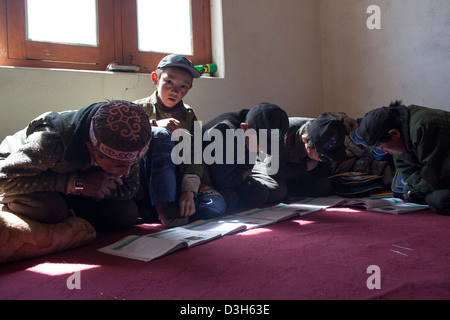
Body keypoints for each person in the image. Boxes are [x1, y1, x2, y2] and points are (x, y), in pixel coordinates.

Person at [0, 100, 152, 231]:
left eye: (132, 164)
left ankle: (66, 214)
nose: (126, 172)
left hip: (67, 190)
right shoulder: (51, 142)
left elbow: (128, 189)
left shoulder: (128, 144)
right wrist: (74, 183)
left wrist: (97, 187)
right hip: (19, 176)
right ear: (91, 149)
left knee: (127, 213)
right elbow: (3, 180)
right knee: (52, 210)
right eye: (118, 166)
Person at [134, 54, 226, 227]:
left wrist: (189, 191)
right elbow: (125, 136)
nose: (175, 91)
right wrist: (153, 124)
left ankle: (168, 209)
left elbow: (195, 153)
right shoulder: (138, 109)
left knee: (215, 207)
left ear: (189, 88)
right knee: (160, 135)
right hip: (148, 179)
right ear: (155, 78)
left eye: (183, 86)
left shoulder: (188, 115)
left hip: (178, 181)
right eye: (169, 82)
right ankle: (164, 206)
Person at [359, 100, 450, 215]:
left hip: (443, 176)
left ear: (394, 133)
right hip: (439, 177)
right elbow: (407, 172)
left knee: (439, 200)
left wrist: (427, 192)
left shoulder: (424, 128)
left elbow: (438, 177)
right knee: (407, 191)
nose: (384, 151)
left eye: (382, 146)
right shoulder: (401, 134)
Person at [201, 102, 289, 212]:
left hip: (234, 173)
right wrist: (243, 175)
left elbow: (247, 167)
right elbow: (223, 180)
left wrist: (243, 174)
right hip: (208, 177)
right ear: (244, 127)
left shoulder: (255, 124)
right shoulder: (226, 133)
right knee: (225, 201)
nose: (260, 151)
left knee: (277, 191)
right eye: (260, 146)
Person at [256, 114, 348, 198]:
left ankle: (288, 187)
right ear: (305, 140)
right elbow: (273, 170)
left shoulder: (324, 132)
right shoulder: (280, 135)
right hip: (265, 163)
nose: (321, 159)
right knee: (278, 190)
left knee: (323, 186)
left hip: (290, 169)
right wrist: (307, 166)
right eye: (321, 155)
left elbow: (322, 171)